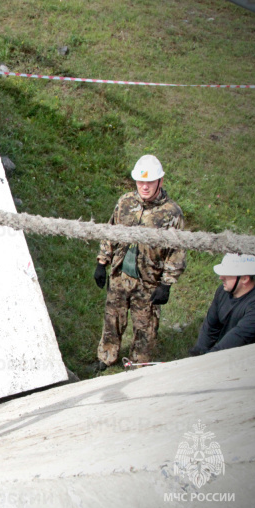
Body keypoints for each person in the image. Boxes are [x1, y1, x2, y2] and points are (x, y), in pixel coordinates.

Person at [93, 155, 186, 369]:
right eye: (140, 182)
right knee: (112, 320)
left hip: (149, 282)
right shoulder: (125, 202)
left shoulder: (172, 214)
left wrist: (166, 284)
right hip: (120, 275)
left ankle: (137, 366)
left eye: (150, 182)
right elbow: (111, 231)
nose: (144, 187)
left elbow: (177, 251)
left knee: (145, 328)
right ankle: (106, 357)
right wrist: (102, 262)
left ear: (160, 182)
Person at [189, 254, 255, 355]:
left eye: (227, 274)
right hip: (228, 353)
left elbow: (238, 338)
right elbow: (210, 327)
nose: (221, 277)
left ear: (244, 279)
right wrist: (197, 353)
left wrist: (206, 359)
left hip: (253, 358)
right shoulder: (223, 292)